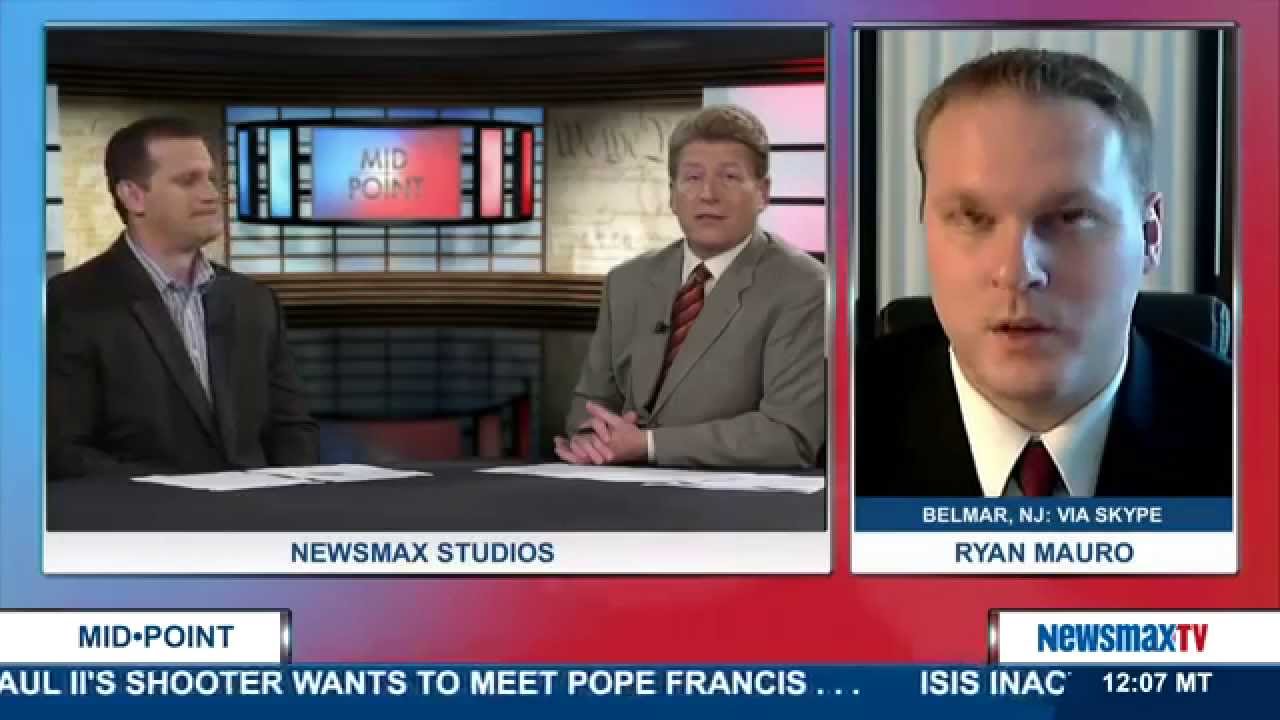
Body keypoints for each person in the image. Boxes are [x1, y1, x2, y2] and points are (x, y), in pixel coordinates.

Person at [857, 48, 1230, 497]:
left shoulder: (1254, 434)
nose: (1016, 272)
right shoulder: (835, 421)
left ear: (1150, 235)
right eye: (972, 217)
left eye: (1071, 217)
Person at [47, 116, 318, 480]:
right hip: (142, 512)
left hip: (261, 511)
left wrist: (291, 500)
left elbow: (293, 429)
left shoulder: (254, 302)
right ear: (133, 196)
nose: (211, 194)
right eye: (188, 180)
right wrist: (175, 500)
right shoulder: (71, 302)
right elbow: (64, 451)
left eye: (211, 179)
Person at [556, 105, 826, 468]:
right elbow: (591, 402)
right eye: (693, 178)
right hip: (618, 489)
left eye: (729, 177)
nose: (708, 194)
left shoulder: (803, 286)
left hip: (734, 497)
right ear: (672, 195)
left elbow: (789, 435)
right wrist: (592, 437)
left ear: (763, 193)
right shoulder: (627, 281)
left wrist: (649, 444)